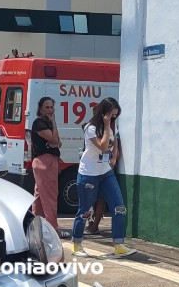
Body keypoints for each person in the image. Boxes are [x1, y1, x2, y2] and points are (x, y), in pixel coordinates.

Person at [71, 97, 136, 257]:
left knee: (119, 207)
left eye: (115, 115)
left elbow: (114, 142)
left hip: (105, 173)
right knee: (85, 210)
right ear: (104, 112)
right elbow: (103, 146)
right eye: (111, 115)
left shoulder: (111, 127)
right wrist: (106, 125)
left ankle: (119, 244)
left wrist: (114, 156)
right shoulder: (90, 128)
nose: (113, 118)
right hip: (88, 174)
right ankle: (77, 244)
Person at [30, 97, 68, 237]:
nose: (50, 110)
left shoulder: (46, 123)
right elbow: (54, 140)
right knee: (50, 196)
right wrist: (54, 124)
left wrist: (55, 141)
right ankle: (53, 229)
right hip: (45, 162)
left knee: (40, 196)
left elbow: (58, 142)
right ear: (40, 109)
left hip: (46, 161)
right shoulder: (40, 123)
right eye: (47, 107)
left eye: (52, 107)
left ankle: (36, 227)